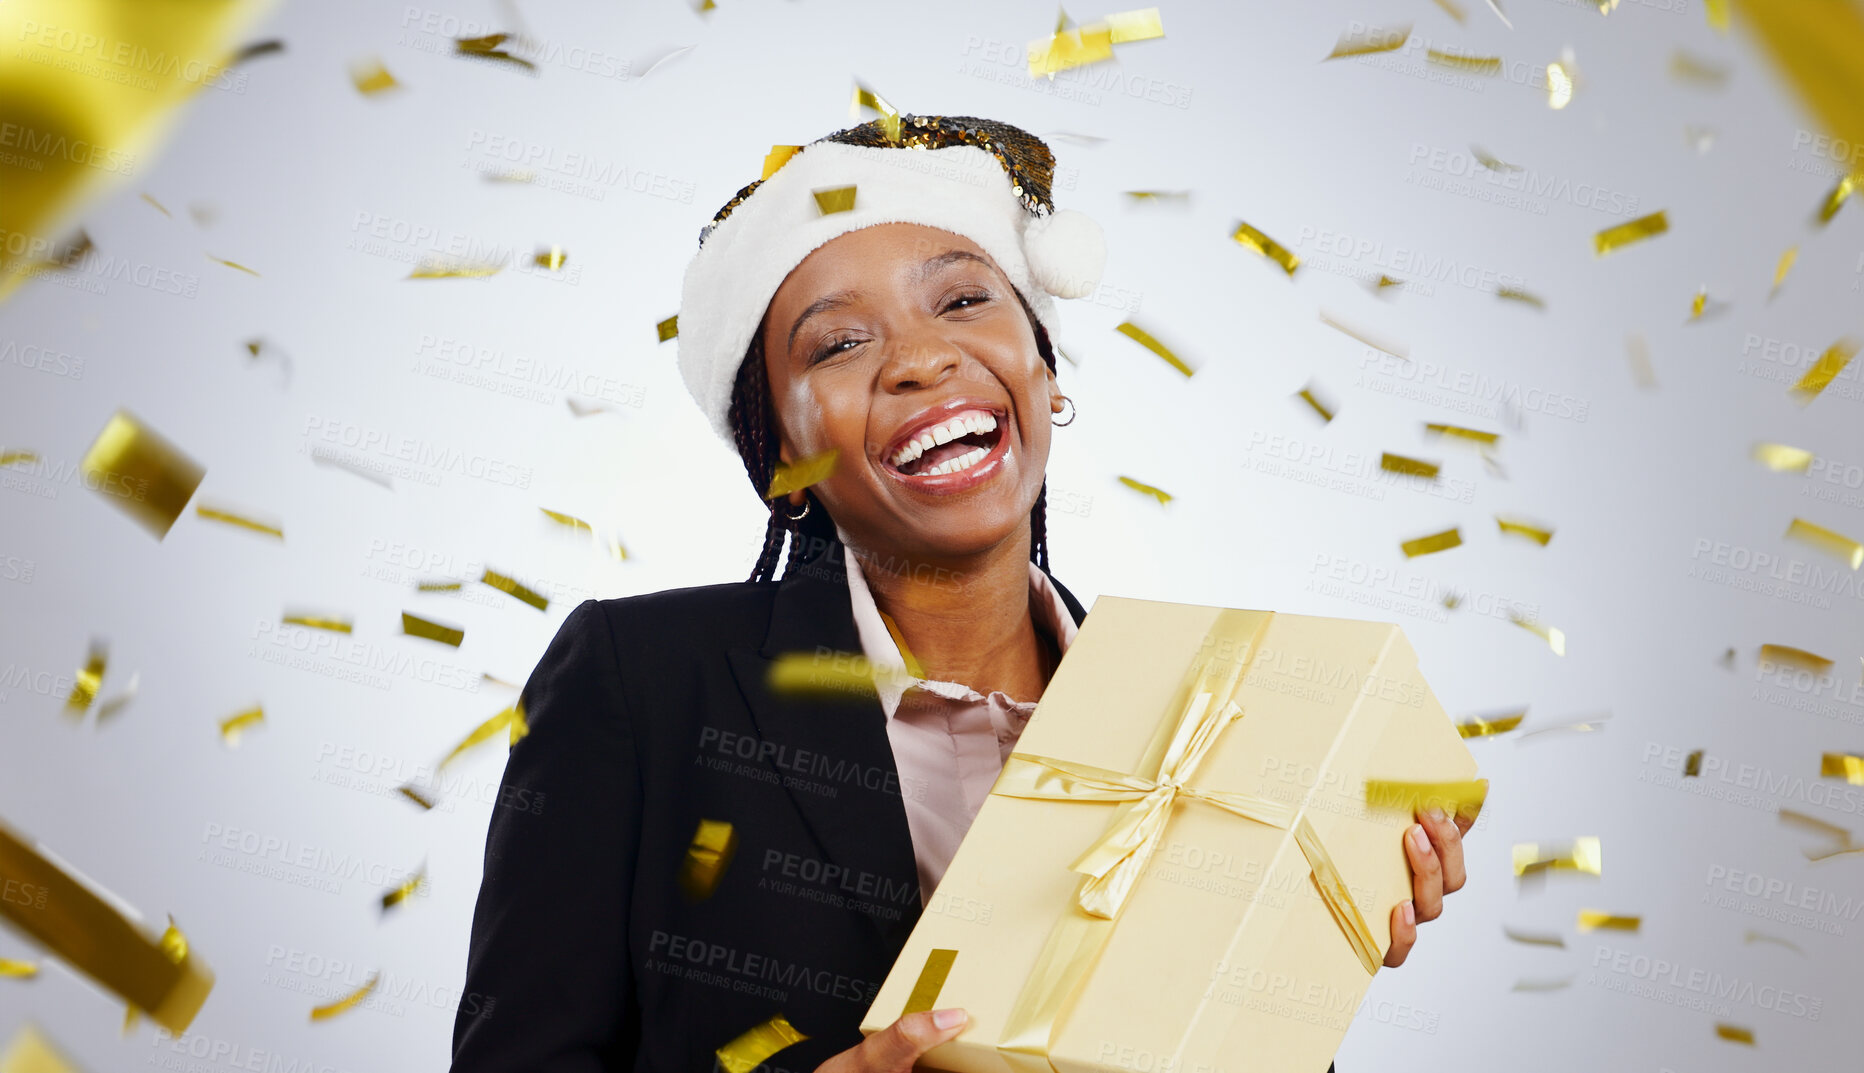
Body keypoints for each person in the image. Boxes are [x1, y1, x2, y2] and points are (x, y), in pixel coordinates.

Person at [450, 115, 1473, 1073]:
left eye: (962, 298)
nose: (921, 358)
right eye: (837, 343)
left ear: (1045, 369)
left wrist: (1309, 947)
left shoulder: (1218, 720)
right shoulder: (641, 679)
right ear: (782, 459)